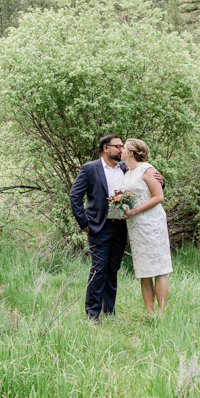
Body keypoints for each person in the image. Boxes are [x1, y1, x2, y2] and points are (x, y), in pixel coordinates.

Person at [68, 134, 161, 322]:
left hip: (121, 225)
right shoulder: (90, 168)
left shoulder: (126, 167)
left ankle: (109, 311)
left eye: (122, 146)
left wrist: (161, 179)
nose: (121, 149)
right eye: (117, 146)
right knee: (99, 268)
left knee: (113, 268)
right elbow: (74, 195)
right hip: (98, 227)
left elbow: (146, 183)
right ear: (105, 148)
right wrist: (84, 224)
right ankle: (93, 313)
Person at [120, 139, 172, 313]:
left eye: (124, 148)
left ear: (131, 153)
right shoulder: (127, 171)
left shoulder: (147, 169)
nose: (121, 151)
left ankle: (162, 313)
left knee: (159, 268)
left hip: (152, 223)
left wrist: (135, 211)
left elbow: (159, 197)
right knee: (144, 269)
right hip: (136, 227)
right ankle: (150, 313)